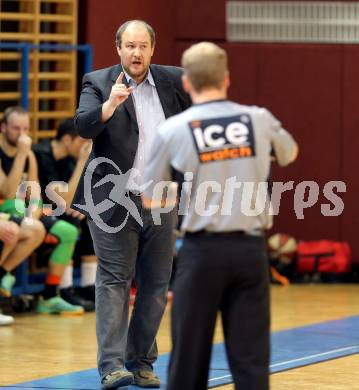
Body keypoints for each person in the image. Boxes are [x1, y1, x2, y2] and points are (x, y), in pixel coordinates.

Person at [142, 42, 298, 390]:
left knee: (188, 359)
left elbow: (152, 197)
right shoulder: (259, 118)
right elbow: (289, 152)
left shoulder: (173, 130)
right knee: (251, 360)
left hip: (201, 254)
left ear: (187, 84)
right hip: (250, 252)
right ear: (227, 79)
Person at [72, 20, 191, 389]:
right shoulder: (98, 81)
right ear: (118, 48)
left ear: (153, 49)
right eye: (129, 46)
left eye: (142, 46)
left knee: (156, 284)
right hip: (112, 201)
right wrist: (109, 106)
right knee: (114, 281)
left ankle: (140, 361)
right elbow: (84, 126)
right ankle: (111, 366)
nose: (136, 53)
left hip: (161, 199)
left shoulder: (174, 81)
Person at [0, 106, 84, 315]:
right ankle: (3, 274)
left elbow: (35, 193)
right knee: (16, 213)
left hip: (22, 211)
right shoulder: (14, 154)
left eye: (25, 129)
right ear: (3, 128)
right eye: (16, 129)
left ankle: (49, 296)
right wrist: (21, 155)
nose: (22, 135)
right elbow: (8, 193)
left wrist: (35, 212)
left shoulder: (30, 155)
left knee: (68, 232)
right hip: (5, 209)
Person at [33, 118, 95, 312]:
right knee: (70, 219)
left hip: (54, 210)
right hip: (34, 212)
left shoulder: (67, 159)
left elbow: (74, 197)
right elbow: (63, 198)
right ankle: (64, 289)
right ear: (68, 140)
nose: (86, 147)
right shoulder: (41, 155)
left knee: (89, 216)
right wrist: (83, 163)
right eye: (82, 142)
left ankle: (89, 286)